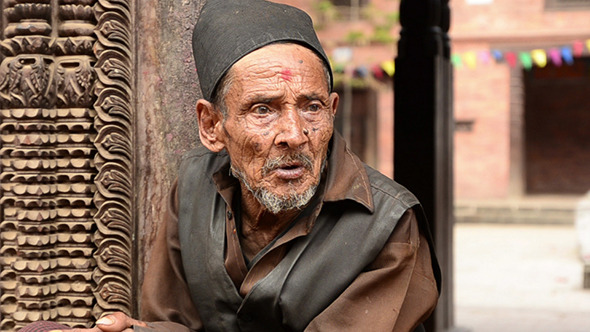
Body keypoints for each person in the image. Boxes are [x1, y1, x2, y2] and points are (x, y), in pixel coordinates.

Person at [22, 0, 440, 331]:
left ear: (332, 112)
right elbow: (177, 322)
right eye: (264, 109)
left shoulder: (389, 222)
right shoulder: (193, 185)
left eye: (311, 107)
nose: (294, 133)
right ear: (211, 125)